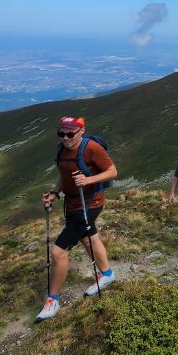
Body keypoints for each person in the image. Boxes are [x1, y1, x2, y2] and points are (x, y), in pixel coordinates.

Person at [36, 117, 118, 322]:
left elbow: (112, 171)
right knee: (89, 237)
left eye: (70, 134)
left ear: (81, 131)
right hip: (72, 204)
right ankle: (107, 274)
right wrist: (55, 192)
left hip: (90, 202)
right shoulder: (61, 150)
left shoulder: (91, 148)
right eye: (61, 133)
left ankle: (52, 300)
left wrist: (88, 180)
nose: (66, 138)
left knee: (58, 251)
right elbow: (64, 175)